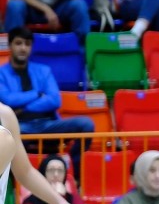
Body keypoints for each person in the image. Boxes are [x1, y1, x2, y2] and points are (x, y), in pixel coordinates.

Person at [0, 27, 95, 156]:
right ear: (10, 45)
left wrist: (23, 109)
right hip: (19, 125)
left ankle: (75, 165)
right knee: (8, 135)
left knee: (86, 124)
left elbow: (55, 100)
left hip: (48, 124)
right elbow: (9, 100)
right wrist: (37, 94)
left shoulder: (44, 71)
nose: (23, 48)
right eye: (18, 43)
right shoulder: (2, 73)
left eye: (27, 44)